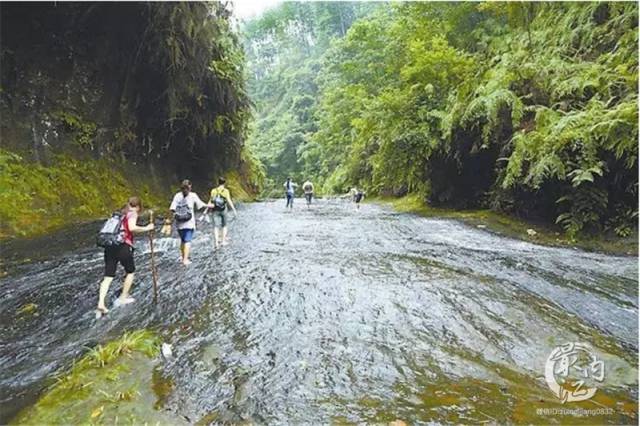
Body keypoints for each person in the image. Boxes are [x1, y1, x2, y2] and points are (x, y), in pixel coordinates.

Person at [97, 196, 154, 315]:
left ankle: (101, 304)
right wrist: (147, 228)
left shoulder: (120, 213)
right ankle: (123, 298)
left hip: (110, 245)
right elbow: (132, 228)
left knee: (108, 276)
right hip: (123, 246)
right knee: (130, 271)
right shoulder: (132, 214)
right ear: (138, 207)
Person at [169, 179, 212, 265]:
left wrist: (171, 219)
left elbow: (172, 208)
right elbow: (200, 204)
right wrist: (209, 205)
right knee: (187, 241)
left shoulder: (177, 195)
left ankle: (182, 256)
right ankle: (185, 260)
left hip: (179, 223)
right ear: (190, 187)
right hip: (189, 222)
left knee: (182, 240)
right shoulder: (193, 195)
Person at [209, 176, 238, 249]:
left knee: (215, 227)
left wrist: (206, 210)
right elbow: (228, 200)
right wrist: (234, 209)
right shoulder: (226, 191)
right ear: (224, 183)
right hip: (223, 210)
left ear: (218, 182)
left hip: (215, 210)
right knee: (224, 225)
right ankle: (223, 241)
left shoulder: (213, 191)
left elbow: (211, 201)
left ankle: (216, 243)